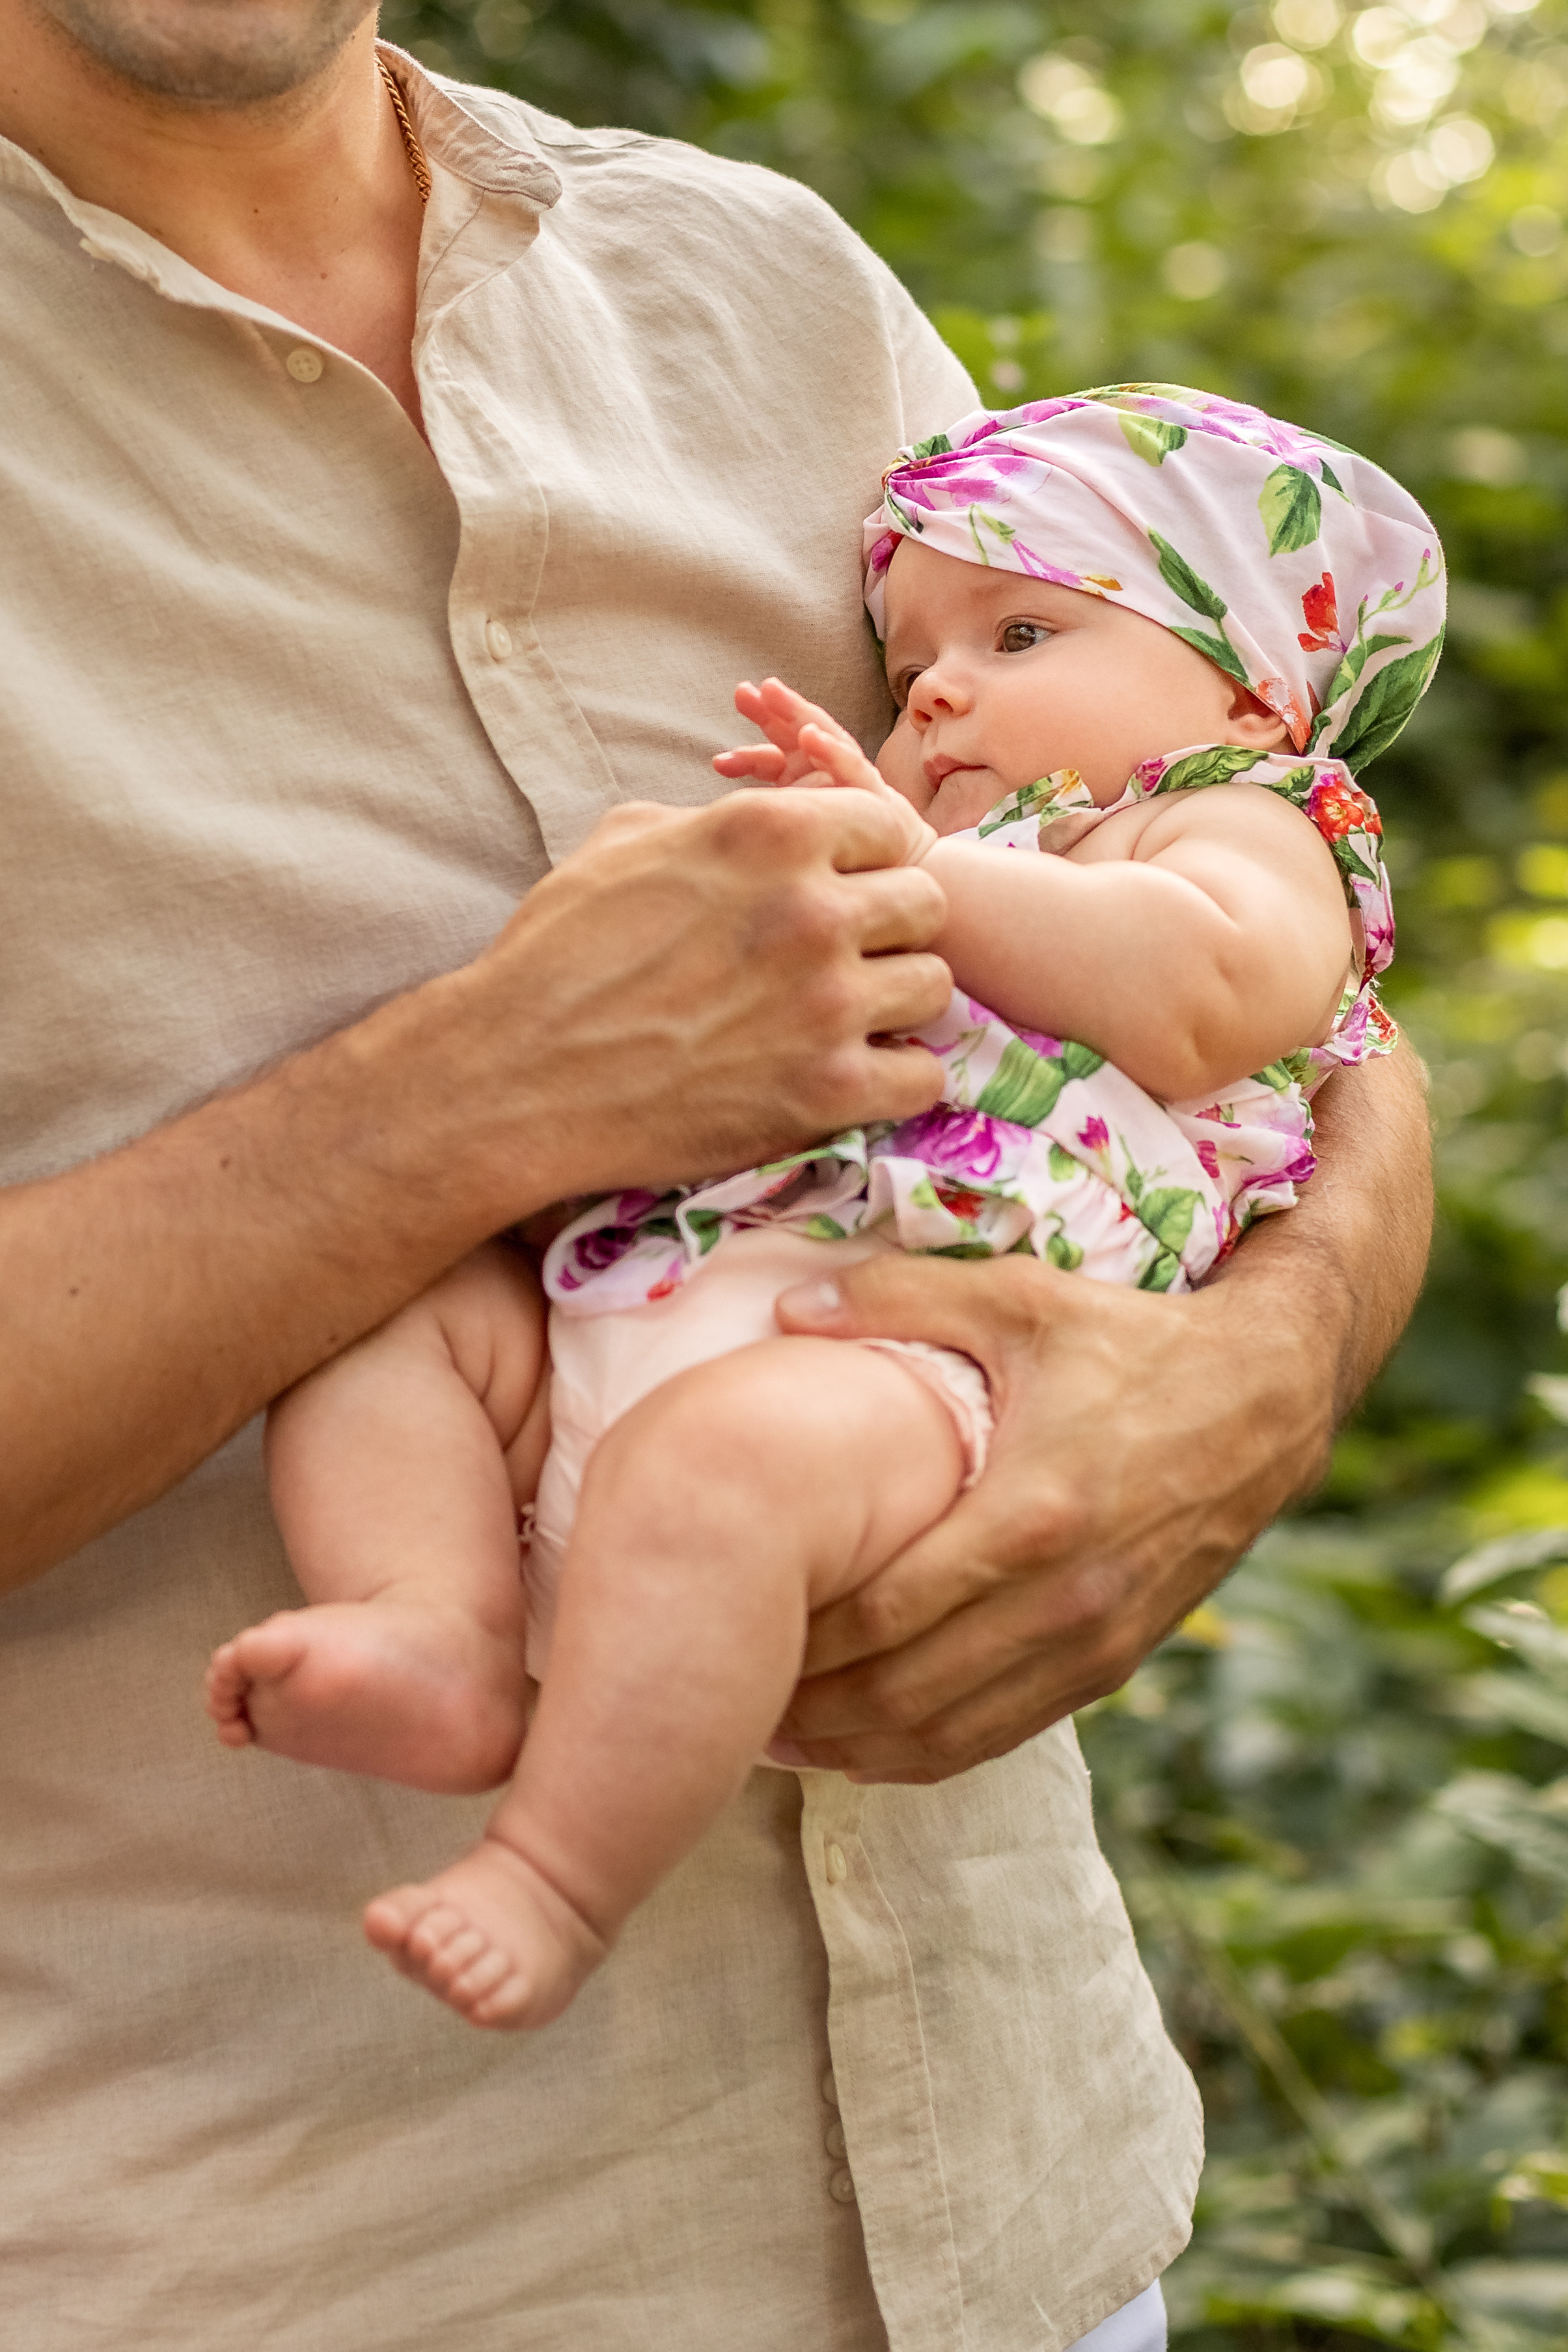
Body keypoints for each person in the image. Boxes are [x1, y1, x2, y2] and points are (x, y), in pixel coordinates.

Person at [0, 3, 1433, 2345]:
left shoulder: (768, 294)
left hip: (1021, 2249)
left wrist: (1267, 1371)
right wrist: (458, 1107)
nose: (942, 685)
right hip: (273, 2270)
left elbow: (1293, 1001)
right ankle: (439, 1650)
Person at [202, 385, 1442, 2043]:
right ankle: (433, 1624)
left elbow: (1214, 990)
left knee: (715, 1463)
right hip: (657, 1289)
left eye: (1019, 628)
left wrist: (909, 867)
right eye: (916, 652)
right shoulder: (974, 837)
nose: (937, 685)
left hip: (907, 1359)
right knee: (392, 1334)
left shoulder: (1232, 821)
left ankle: (554, 1876)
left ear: (1247, 685)